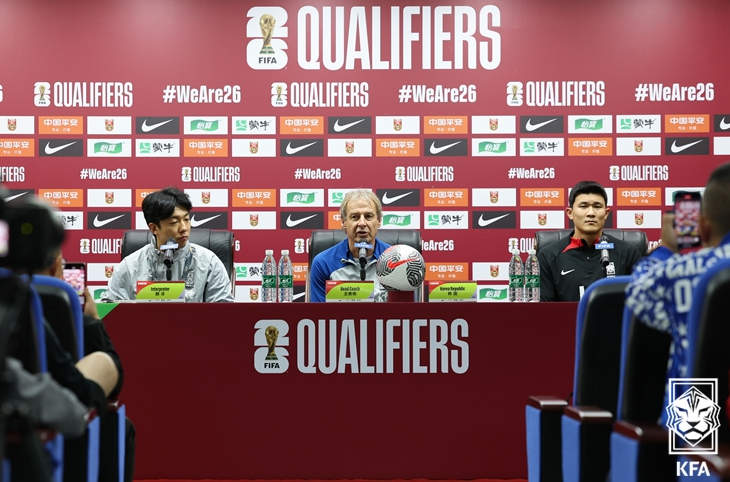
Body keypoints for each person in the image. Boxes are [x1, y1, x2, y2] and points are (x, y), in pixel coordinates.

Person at [626, 163, 730, 415]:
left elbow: (636, 293)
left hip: (696, 426)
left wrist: (665, 250)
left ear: (703, 227)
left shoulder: (682, 270)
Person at [103, 187, 233, 302]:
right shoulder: (130, 266)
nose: (184, 228)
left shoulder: (208, 262)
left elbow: (224, 312)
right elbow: (109, 310)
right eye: (174, 222)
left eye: (187, 219)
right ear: (154, 228)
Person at [538, 180, 642, 301]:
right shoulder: (548, 256)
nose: (591, 213)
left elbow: (638, 304)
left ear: (606, 213)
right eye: (583, 206)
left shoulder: (628, 253)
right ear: (570, 213)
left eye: (597, 206)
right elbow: (546, 309)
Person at [309, 189, 390, 302]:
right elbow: (319, 312)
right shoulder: (323, 263)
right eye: (355, 217)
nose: (362, 223)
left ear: (379, 221)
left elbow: (404, 310)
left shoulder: (395, 259)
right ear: (343, 222)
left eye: (368, 216)